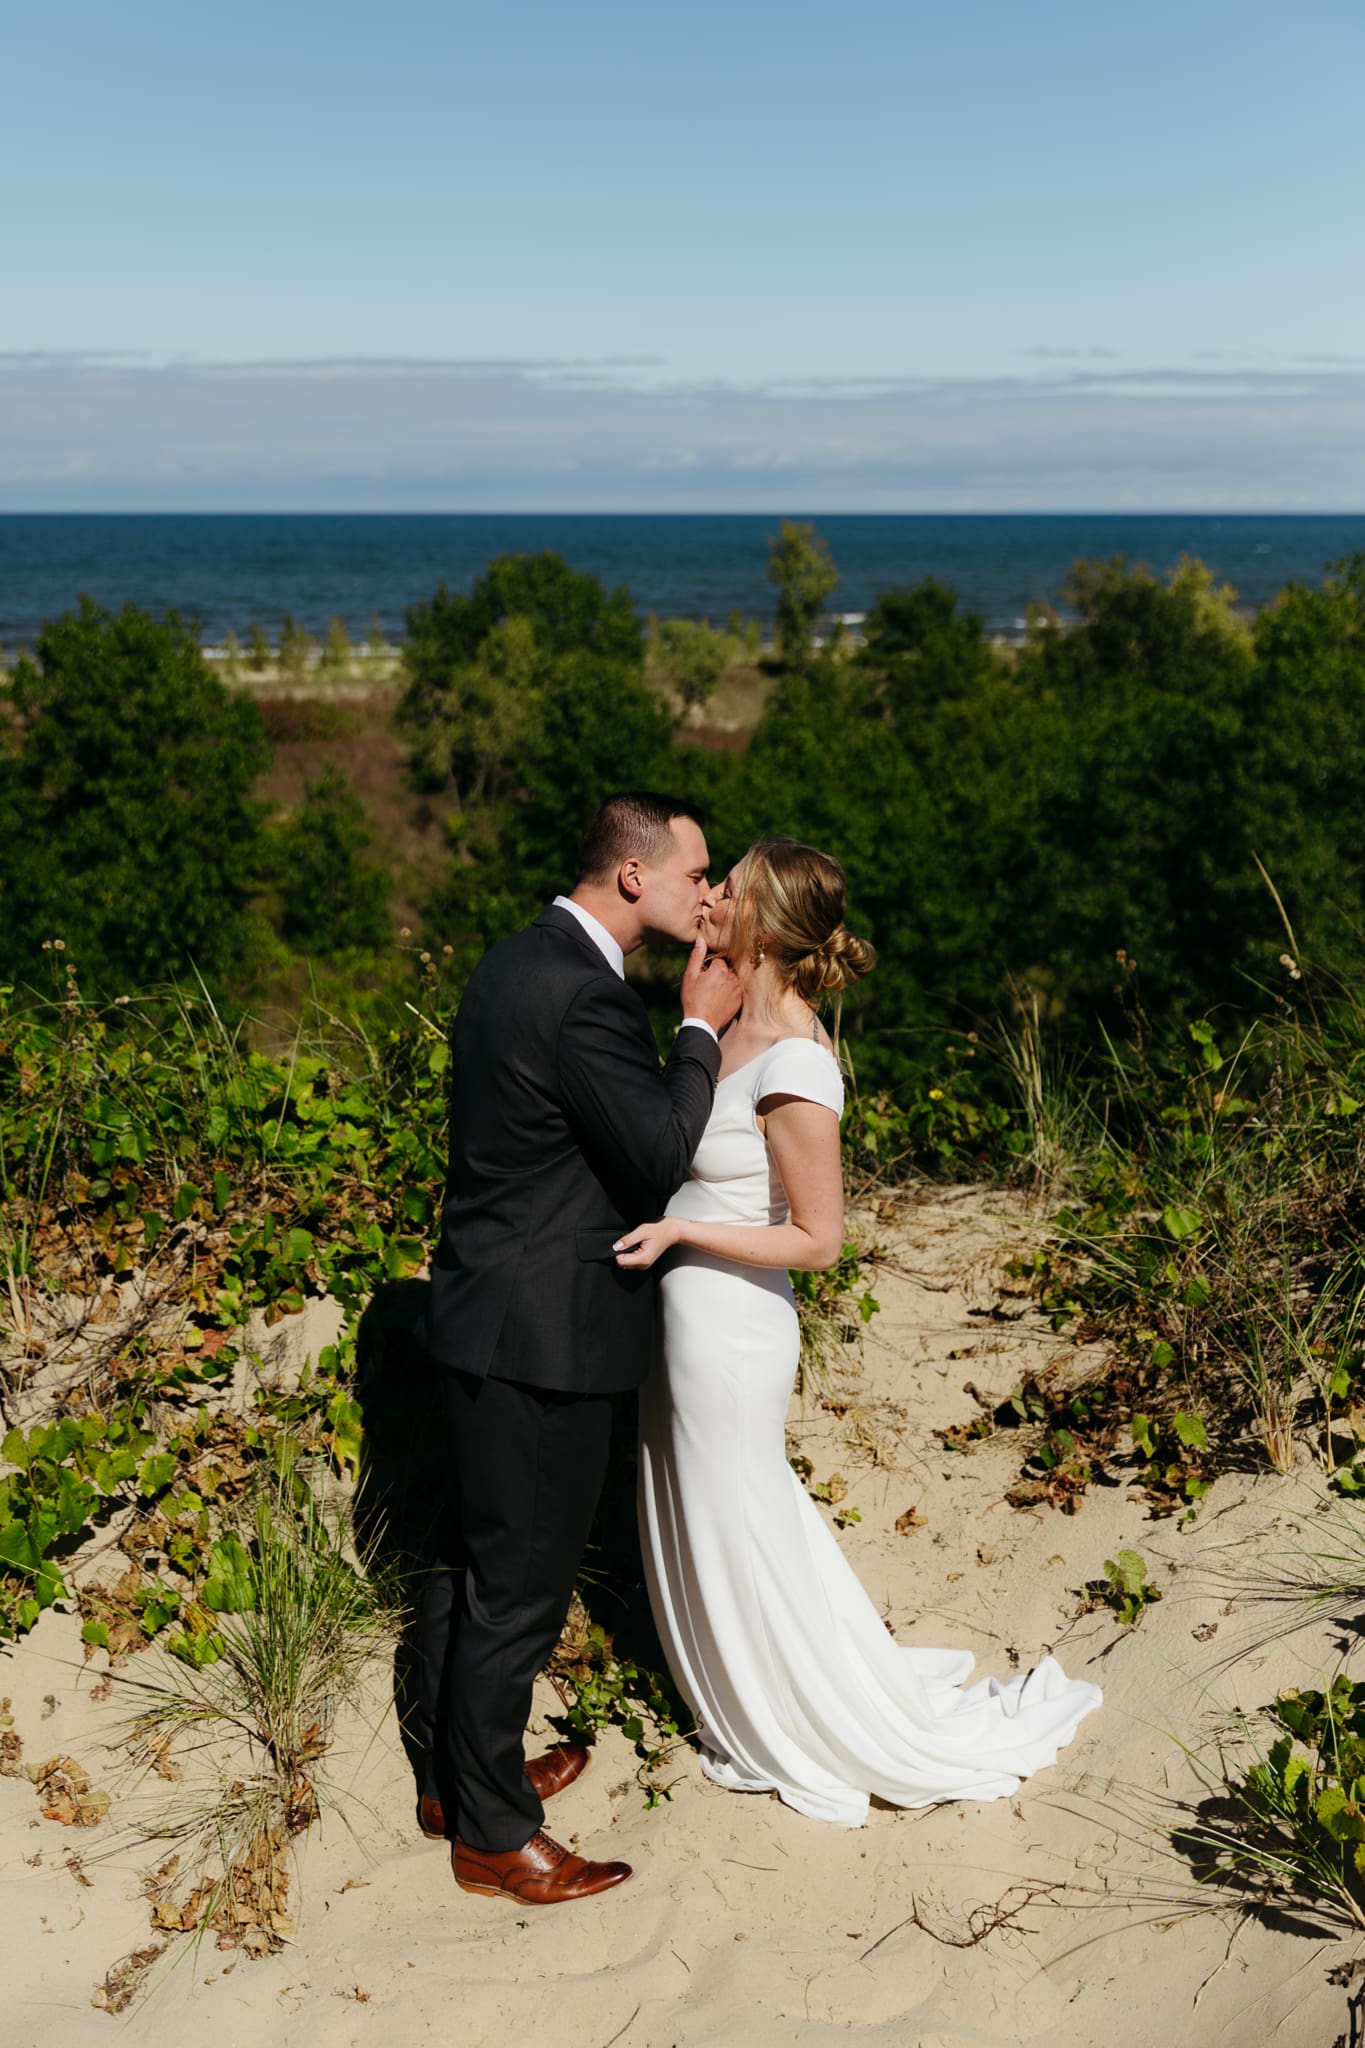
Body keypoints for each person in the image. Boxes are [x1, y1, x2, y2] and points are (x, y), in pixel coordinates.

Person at [617, 839, 1102, 1827]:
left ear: (764, 922)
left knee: (741, 1510)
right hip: (686, 1310)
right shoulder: (724, 1021)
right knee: (702, 1508)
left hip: (736, 1323)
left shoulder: (798, 1057)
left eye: (732, 885)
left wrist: (681, 1228)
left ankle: (796, 1713)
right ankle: (745, 1696)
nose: (711, 894)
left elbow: (819, 1236)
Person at [416, 792, 741, 1906]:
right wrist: (697, 1024)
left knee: (469, 1562)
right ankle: (493, 1836)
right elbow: (655, 1151)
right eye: (698, 872)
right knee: (521, 1584)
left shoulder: (510, 960)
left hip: (471, 1313)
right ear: (636, 877)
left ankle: (462, 1777)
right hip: (542, 1338)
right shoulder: (588, 997)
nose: (711, 893)